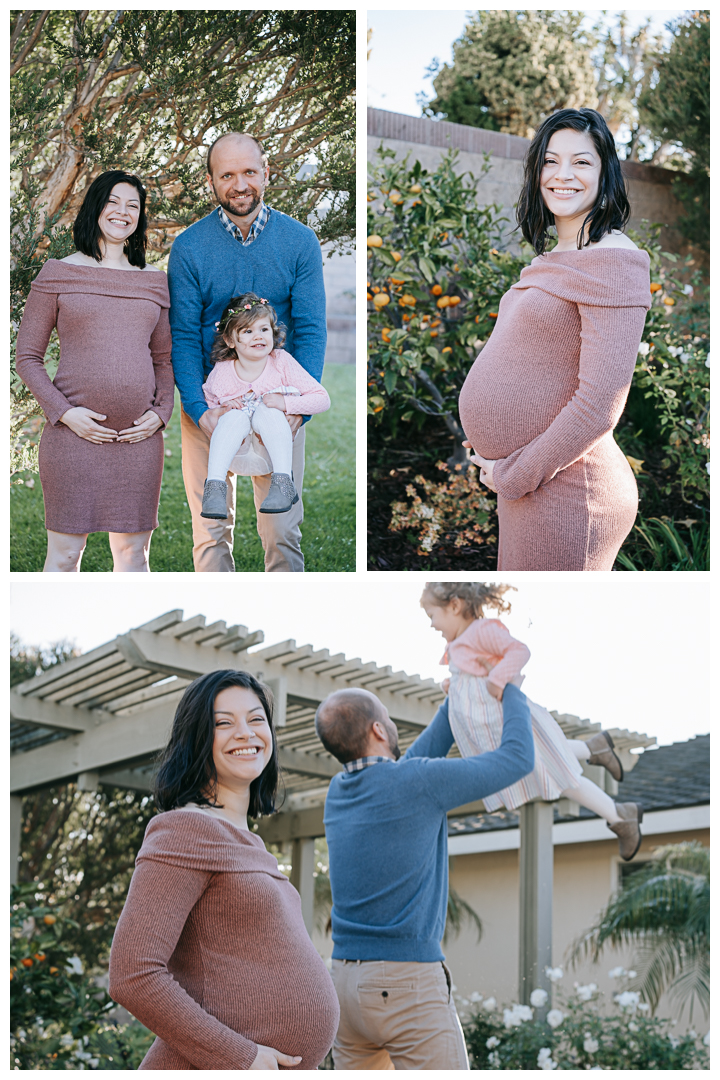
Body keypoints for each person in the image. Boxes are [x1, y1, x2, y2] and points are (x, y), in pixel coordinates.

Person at [109, 670, 339, 1070]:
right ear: (197, 738)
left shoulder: (246, 840)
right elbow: (132, 973)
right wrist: (241, 1057)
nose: (246, 734)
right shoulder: (185, 828)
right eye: (223, 723)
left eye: (256, 719)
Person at [459, 109, 652, 570]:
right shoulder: (558, 255)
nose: (562, 175)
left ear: (605, 172)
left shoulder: (615, 261)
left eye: (581, 162)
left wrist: (512, 474)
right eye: (550, 161)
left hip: (570, 490)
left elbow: (599, 404)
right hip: (534, 483)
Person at [315, 675, 535, 1069]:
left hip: (345, 987)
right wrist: (510, 690)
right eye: (388, 717)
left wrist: (458, 699)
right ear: (379, 729)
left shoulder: (338, 792)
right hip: (404, 983)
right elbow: (518, 758)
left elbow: (406, 766)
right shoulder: (416, 782)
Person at [168, 131, 327, 572]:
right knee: (210, 532)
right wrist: (199, 410)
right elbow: (181, 334)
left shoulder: (299, 242)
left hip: (278, 404)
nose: (240, 184)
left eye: (249, 172)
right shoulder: (189, 248)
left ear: (267, 173)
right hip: (210, 404)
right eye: (228, 175)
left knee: (281, 530)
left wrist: (299, 409)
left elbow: (311, 329)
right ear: (211, 181)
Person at [15, 170, 174, 572]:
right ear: (95, 207)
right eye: (113, 202)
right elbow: (27, 357)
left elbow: (164, 360)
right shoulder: (58, 273)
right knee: (65, 556)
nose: (123, 212)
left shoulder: (154, 281)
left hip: (138, 440)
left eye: (133, 206)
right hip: (72, 440)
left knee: (134, 556)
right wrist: (65, 413)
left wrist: (160, 414)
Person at [421, 581, 643, 861]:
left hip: (505, 720)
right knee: (550, 760)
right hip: (491, 729)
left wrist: (497, 678)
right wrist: (455, 685)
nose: (432, 625)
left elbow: (519, 652)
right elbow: (471, 676)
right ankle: (594, 750)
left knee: (558, 773)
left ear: (454, 606)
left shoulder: (481, 631)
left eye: (432, 616)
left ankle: (621, 815)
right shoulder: (457, 642)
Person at [201, 293, 330, 519]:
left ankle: (283, 483)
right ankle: (214, 488)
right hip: (237, 451)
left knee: (269, 409)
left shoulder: (280, 362)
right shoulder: (222, 371)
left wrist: (286, 403)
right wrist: (222, 407)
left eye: (264, 329)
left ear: (273, 332)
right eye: (248, 331)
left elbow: (322, 398)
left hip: (271, 452)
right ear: (231, 340)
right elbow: (209, 400)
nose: (258, 336)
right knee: (233, 416)